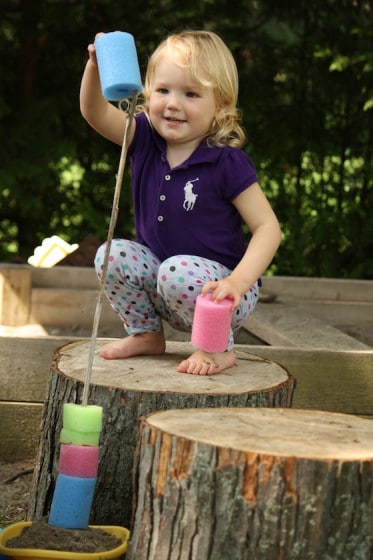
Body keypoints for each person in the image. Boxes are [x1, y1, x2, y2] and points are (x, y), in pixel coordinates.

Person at [80, 29, 281, 375]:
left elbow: (268, 228)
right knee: (110, 253)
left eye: (190, 94)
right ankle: (146, 333)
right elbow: (94, 113)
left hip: (220, 295)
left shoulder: (225, 162)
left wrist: (238, 283)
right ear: (147, 92)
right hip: (164, 285)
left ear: (221, 104)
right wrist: (95, 67)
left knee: (178, 270)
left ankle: (216, 348)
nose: (172, 104)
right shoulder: (143, 137)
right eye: (162, 90)